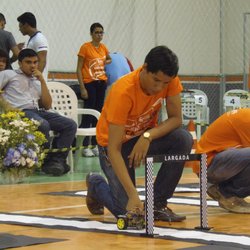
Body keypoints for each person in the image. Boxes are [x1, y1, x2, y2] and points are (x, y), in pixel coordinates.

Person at [85, 45, 193, 222]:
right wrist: (133, 194)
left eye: (165, 83)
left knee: (183, 138)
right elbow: (114, 149)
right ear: (144, 68)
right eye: (156, 80)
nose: (160, 87)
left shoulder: (170, 80)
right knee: (128, 211)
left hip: (142, 138)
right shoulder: (123, 92)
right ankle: (96, 185)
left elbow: (176, 119)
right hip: (113, 146)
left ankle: (156, 204)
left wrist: (147, 136)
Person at [0, 48, 77, 176]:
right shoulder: (9, 74)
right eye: (28, 62)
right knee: (43, 124)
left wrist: (41, 81)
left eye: (35, 62)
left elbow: (47, 105)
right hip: (20, 112)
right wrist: (6, 106)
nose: (33, 65)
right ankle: (44, 161)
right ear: (20, 63)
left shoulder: (37, 80)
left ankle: (56, 161)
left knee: (70, 125)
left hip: (37, 111)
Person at [196, 108, 250, 213]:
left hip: (216, 163)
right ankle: (227, 194)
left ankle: (226, 191)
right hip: (208, 164)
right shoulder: (247, 120)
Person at [76, 22, 112, 157]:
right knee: (88, 115)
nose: (99, 35)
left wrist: (103, 62)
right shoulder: (85, 47)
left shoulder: (103, 47)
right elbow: (79, 68)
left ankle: (97, 145)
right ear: (91, 33)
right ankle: (85, 146)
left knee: (98, 115)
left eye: (101, 32)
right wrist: (82, 87)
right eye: (96, 32)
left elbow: (109, 59)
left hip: (101, 83)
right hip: (89, 83)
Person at [17, 12, 49, 81]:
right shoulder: (33, 39)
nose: (19, 29)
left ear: (26, 25)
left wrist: (35, 80)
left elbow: (42, 61)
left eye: (20, 26)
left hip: (37, 83)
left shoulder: (39, 39)